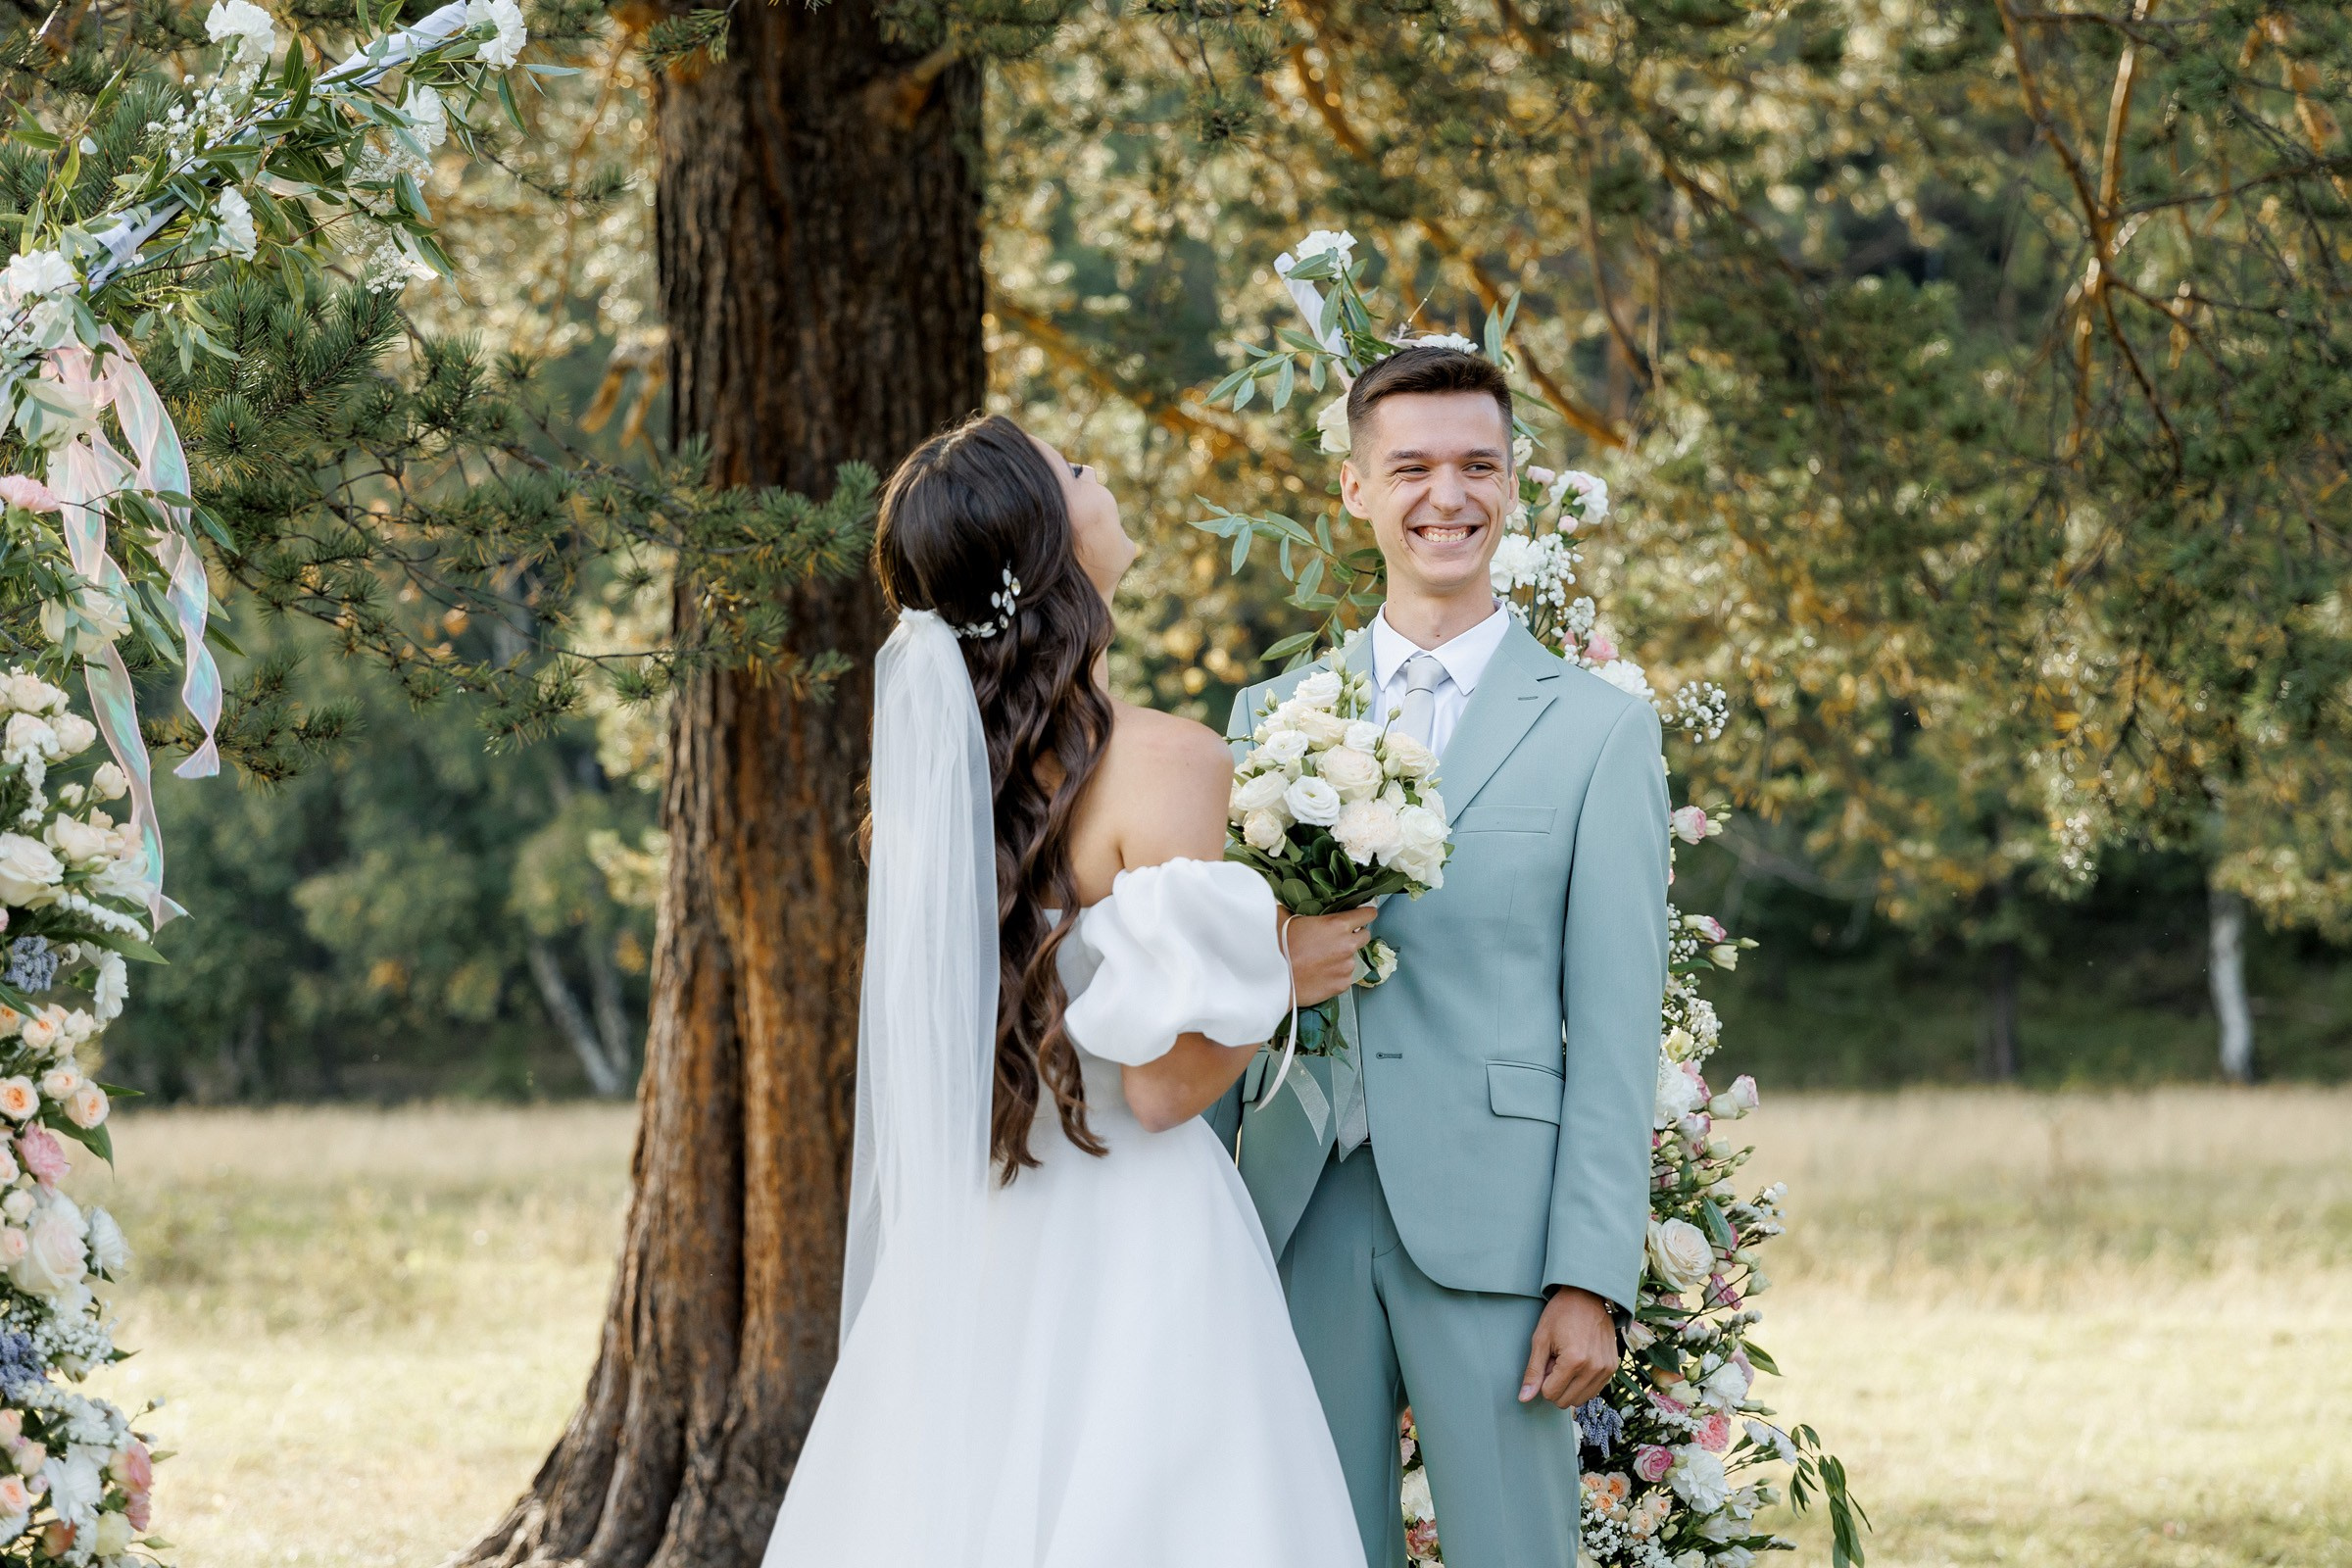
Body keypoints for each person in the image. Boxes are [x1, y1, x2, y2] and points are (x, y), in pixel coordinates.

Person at [764, 413, 1374, 1565]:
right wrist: (1279, 973)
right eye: (1077, 471)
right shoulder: (1168, 762)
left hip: (986, 1226)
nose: (1101, 476)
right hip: (1135, 1231)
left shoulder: (932, 796)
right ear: (1053, 546)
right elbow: (1160, 1089)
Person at [1209, 345, 1671, 1568]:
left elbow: (1618, 1030)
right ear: (1355, 489)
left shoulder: (1599, 730)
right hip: (1295, 1201)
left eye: (1477, 465)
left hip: (1500, 1225)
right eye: (1409, 466)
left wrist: (1591, 1274)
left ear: (1513, 486)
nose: (1445, 496)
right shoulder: (1268, 717)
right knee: (1305, 1544)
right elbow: (1207, 979)